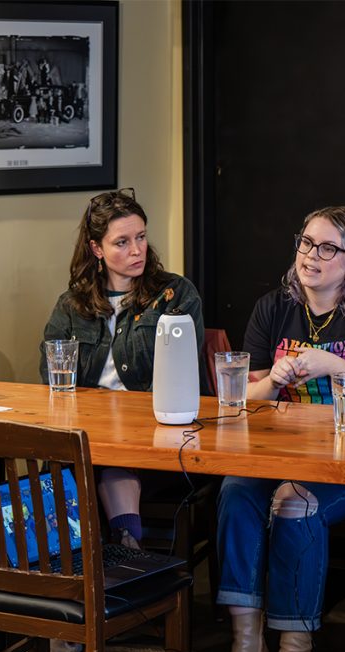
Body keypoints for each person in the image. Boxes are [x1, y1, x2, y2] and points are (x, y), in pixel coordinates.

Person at [214, 206, 345, 652]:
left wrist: (335, 366)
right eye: (306, 243)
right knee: (236, 490)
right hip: (281, 451)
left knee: (293, 503)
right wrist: (273, 381)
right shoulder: (273, 308)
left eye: (328, 248)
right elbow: (245, 397)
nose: (311, 256)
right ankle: (248, 646)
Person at [40, 187, 204, 549]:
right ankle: (64, 573)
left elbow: (184, 373)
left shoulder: (175, 295)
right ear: (97, 248)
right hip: (89, 432)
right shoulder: (72, 305)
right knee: (61, 463)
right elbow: (48, 375)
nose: (136, 250)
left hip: (158, 436)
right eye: (122, 242)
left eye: (141, 237)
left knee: (106, 460)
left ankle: (125, 549)